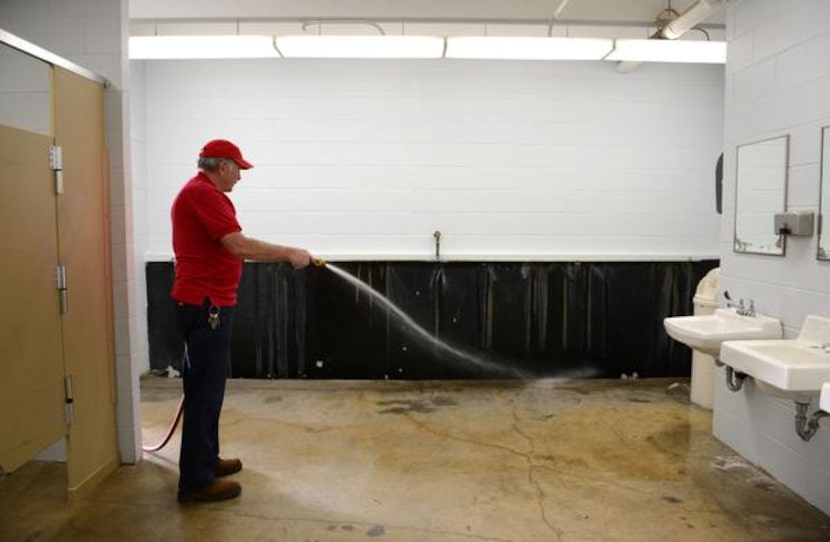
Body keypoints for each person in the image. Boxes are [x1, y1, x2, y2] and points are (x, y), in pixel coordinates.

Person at [171, 138, 315, 502]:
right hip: (206, 307)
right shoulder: (203, 194)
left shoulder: (202, 193)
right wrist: (289, 253)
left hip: (208, 304)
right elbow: (238, 245)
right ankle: (196, 481)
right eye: (239, 169)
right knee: (204, 392)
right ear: (222, 166)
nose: (240, 177)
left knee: (209, 389)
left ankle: (206, 459)